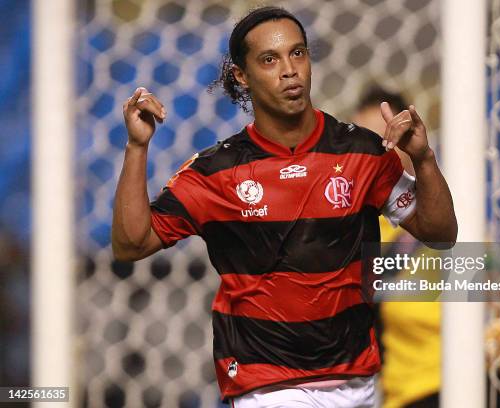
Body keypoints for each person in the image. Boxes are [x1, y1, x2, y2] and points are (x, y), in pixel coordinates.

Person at [111, 6, 457, 407]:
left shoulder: (363, 153)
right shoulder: (217, 172)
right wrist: (138, 147)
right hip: (268, 387)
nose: (289, 69)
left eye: (298, 53)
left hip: (358, 384)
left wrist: (425, 159)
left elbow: (441, 233)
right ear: (242, 75)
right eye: (270, 59)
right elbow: (131, 244)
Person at [352, 87, 441, 408]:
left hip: (480, 380)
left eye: (382, 140)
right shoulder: (355, 232)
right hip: (412, 393)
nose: (370, 153)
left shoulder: (447, 214)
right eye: (360, 143)